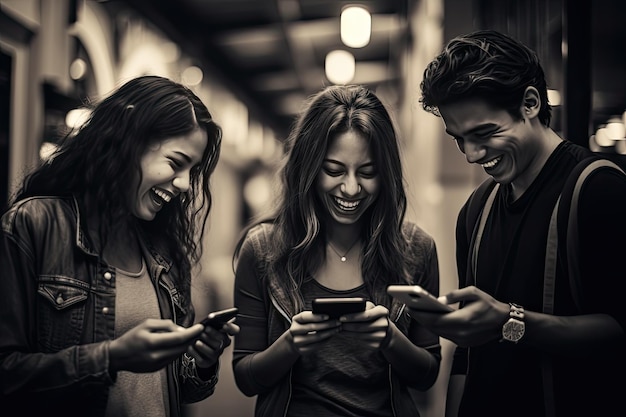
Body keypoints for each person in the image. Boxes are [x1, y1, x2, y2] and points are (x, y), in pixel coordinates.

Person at [412, 29, 626, 417]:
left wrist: (511, 322)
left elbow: (619, 332)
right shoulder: (475, 212)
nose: (472, 155)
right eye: (458, 139)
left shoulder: (598, 190)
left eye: (484, 133)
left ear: (530, 103)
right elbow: (467, 356)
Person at [0, 75, 239, 417]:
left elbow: (177, 389)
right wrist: (111, 357)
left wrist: (201, 362)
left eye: (193, 170)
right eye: (175, 163)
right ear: (127, 140)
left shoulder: (164, 251)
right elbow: (7, 373)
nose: (186, 184)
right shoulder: (34, 225)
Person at [231, 84, 442, 417]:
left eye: (368, 172)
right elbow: (245, 377)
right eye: (334, 170)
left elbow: (427, 374)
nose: (352, 188)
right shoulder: (262, 249)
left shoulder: (416, 249)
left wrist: (390, 338)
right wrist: (290, 344)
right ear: (308, 168)